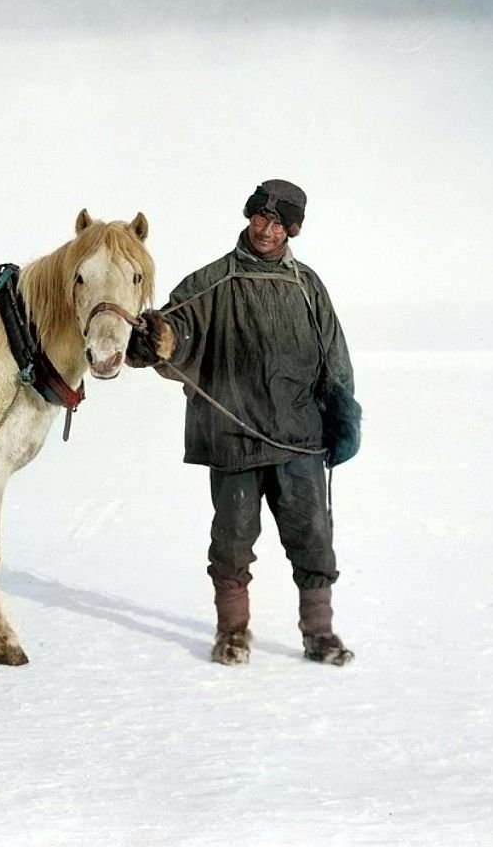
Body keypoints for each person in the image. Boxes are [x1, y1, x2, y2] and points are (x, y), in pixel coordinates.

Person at [126, 179, 361, 666]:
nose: (267, 231)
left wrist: (343, 416)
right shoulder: (212, 281)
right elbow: (177, 325)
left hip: (300, 440)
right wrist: (163, 339)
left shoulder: (307, 285)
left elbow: (334, 357)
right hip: (234, 439)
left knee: (314, 540)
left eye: (279, 223)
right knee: (231, 545)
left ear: (292, 230)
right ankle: (232, 633)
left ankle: (319, 634)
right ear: (248, 216)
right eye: (260, 218)